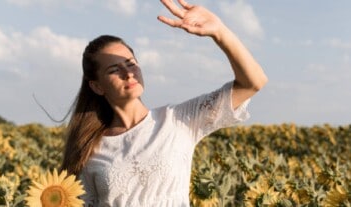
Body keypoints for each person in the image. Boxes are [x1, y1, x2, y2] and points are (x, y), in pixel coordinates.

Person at [61, 0, 268, 206]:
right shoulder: (89, 149)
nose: (128, 73)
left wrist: (219, 31)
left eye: (131, 63)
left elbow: (253, 82)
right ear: (97, 86)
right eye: (114, 70)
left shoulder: (178, 120)